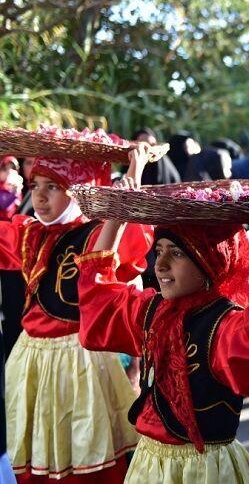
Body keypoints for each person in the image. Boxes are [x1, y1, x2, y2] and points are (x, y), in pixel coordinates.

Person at [75, 148, 249, 483]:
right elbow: (99, 302)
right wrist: (116, 217)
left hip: (204, 469)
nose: (161, 265)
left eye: (178, 253)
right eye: (159, 251)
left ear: (210, 262)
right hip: (149, 463)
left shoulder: (226, 323)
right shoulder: (152, 310)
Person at [0, 147, 152, 483]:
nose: (38, 196)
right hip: (31, 359)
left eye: (52, 187)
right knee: (37, 451)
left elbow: (127, 232)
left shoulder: (96, 233)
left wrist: (132, 178)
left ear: (79, 191)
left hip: (80, 360)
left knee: (86, 452)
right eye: (34, 185)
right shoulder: (30, 234)